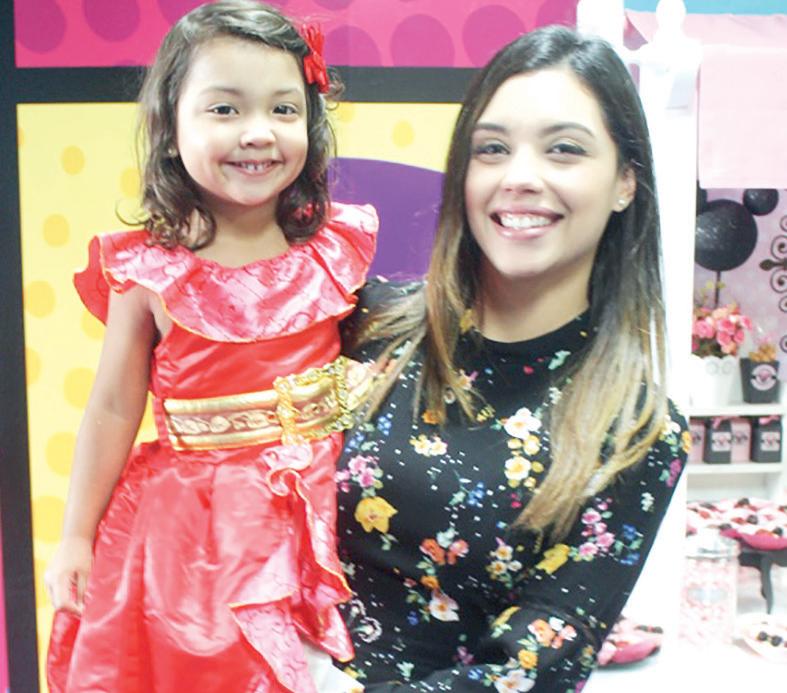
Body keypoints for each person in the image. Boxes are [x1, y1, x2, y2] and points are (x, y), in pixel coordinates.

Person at [335, 25, 689, 691]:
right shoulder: (366, 322)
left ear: (625, 182)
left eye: (563, 150)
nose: (519, 177)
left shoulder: (634, 432)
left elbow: (527, 672)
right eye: (492, 149)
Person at [44, 2, 375, 691]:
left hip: (323, 502)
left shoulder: (334, 248)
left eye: (283, 110)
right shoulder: (148, 271)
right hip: (197, 531)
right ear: (171, 129)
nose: (257, 132)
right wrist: (76, 535)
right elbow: (112, 407)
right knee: (213, 665)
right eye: (224, 109)